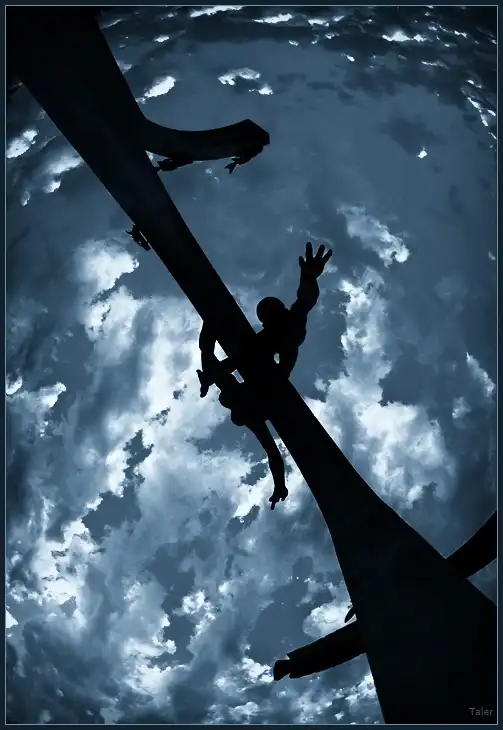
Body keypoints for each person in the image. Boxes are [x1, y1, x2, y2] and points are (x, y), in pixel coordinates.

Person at [197, 242, 333, 399]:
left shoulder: (291, 319)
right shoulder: (266, 338)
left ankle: (244, 393)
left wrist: (308, 278)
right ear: (265, 323)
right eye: (269, 317)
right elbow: (237, 359)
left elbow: (306, 299)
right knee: (249, 355)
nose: (274, 319)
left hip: (282, 350)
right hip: (270, 355)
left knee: (268, 363)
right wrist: (211, 374)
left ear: (282, 310)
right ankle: (237, 392)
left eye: (275, 313)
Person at [197, 322, 288, 510]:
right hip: (266, 376)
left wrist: (210, 321)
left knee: (215, 363)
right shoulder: (250, 412)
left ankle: (210, 375)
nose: (228, 403)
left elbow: (207, 353)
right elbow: (273, 453)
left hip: (256, 359)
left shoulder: (233, 392)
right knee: (220, 366)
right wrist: (280, 484)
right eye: (232, 406)